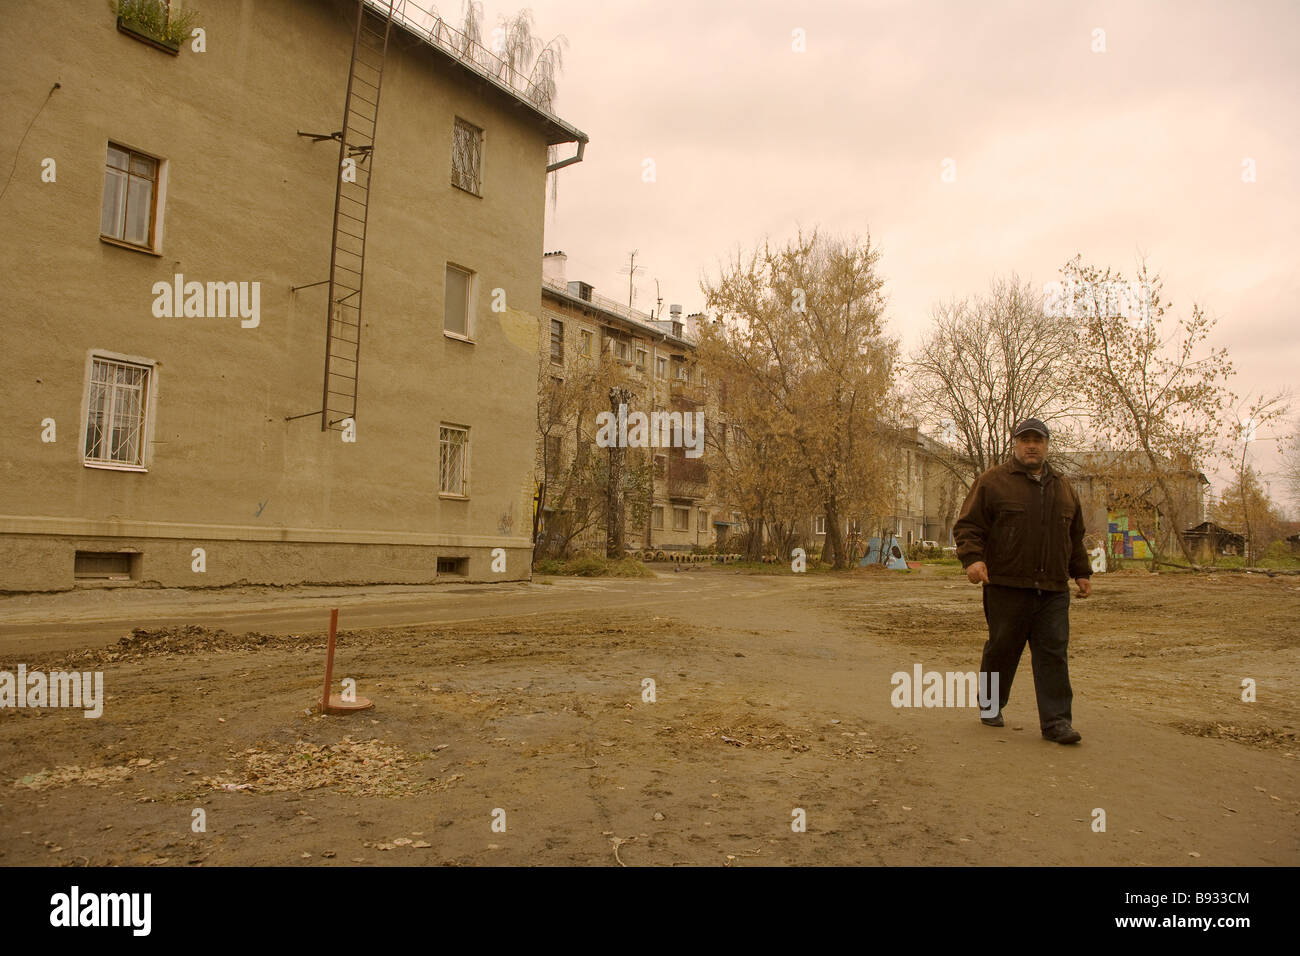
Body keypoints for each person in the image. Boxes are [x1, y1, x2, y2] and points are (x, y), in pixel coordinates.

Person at [952, 418, 1093, 744]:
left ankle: (1057, 722)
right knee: (1003, 648)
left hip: (1054, 588)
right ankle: (990, 704)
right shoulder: (993, 482)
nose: (1032, 445)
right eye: (1025, 439)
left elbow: (1074, 535)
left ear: (1046, 444)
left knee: (1053, 652)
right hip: (1006, 585)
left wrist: (1082, 572)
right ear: (1015, 443)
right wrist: (973, 559)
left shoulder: (1063, 488)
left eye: (1038, 440)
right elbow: (968, 526)